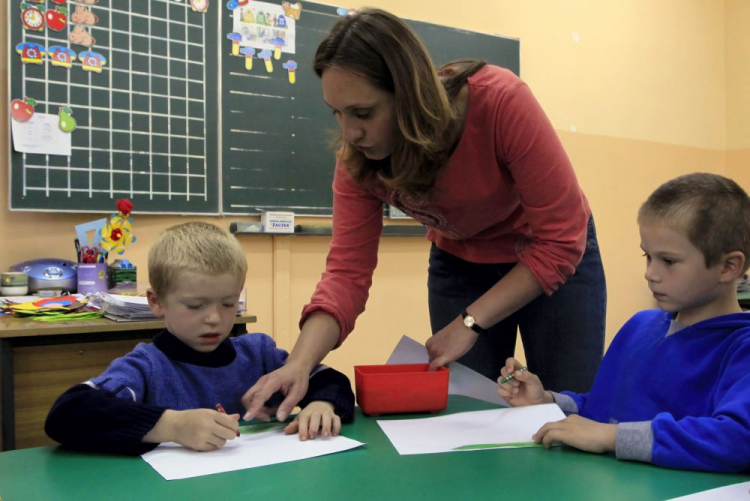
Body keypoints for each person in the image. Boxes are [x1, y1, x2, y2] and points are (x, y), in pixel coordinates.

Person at [243, 8, 606, 422]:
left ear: (409, 94)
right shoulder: (357, 160)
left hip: (554, 255)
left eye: (362, 113)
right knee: (472, 419)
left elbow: (560, 240)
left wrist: (469, 322)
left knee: (567, 411)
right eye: (337, 113)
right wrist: (299, 364)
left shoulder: (500, 101)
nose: (349, 133)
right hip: (462, 261)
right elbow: (346, 273)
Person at [498, 173, 750, 473]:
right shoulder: (640, 326)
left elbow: (738, 439)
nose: (650, 273)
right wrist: (549, 401)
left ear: (728, 266)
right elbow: (606, 408)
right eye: (648, 256)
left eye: (668, 261)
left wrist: (611, 438)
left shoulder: (741, 348)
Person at [45, 222, 354, 455]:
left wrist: (322, 404)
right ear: (156, 302)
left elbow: (329, 379)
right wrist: (171, 425)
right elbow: (67, 414)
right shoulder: (146, 367)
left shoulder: (258, 354)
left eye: (229, 304)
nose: (214, 318)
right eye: (195, 305)